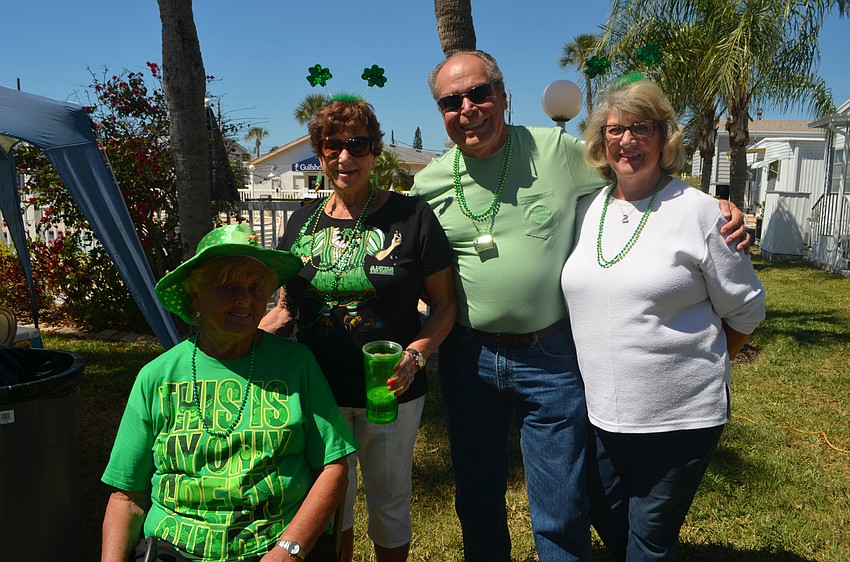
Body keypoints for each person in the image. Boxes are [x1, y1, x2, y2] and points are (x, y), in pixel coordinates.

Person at [411, 51, 750, 562]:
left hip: (550, 356)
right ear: (441, 111)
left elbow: (637, 181)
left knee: (559, 502)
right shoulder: (429, 183)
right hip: (469, 357)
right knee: (477, 495)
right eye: (452, 100)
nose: (469, 107)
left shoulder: (557, 150)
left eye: (480, 93)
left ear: (503, 97)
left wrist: (714, 207)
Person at [561, 77, 766, 561]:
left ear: (664, 137)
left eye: (641, 128)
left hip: (680, 416)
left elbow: (747, 308)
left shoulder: (701, 212)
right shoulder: (586, 209)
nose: (626, 140)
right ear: (599, 140)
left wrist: (705, 364)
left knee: (649, 538)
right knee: (604, 511)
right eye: (614, 130)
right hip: (601, 413)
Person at [260, 96, 456, 562]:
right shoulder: (301, 221)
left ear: (375, 151)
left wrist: (417, 354)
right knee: (331, 504)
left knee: (389, 501)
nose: (345, 156)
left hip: (390, 390)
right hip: (317, 390)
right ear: (320, 152)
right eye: (333, 146)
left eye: (358, 144)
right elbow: (287, 307)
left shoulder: (412, 217)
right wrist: (229, 348)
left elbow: (445, 306)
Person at [101, 223, 358, 562]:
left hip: (273, 547)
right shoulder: (157, 377)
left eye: (255, 288)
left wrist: (289, 550)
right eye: (228, 287)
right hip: (174, 552)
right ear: (196, 297)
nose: (244, 301)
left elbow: (334, 466)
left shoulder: (296, 365)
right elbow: (126, 497)